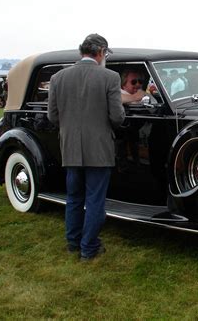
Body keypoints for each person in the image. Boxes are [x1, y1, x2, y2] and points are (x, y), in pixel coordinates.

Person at [47, 34, 125, 261]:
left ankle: (73, 243)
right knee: (94, 200)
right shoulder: (110, 77)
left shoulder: (58, 78)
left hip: (70, 146)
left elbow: (52, 116)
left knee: (73, 198)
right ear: (100, 52)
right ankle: (89, 248)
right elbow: (117, 117)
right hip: (99, 149)